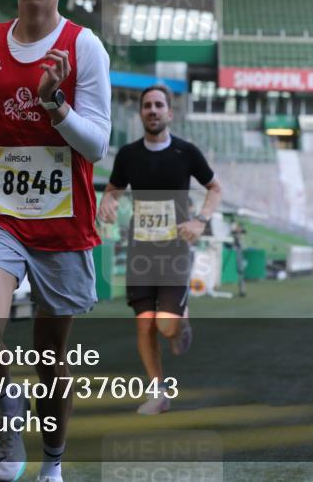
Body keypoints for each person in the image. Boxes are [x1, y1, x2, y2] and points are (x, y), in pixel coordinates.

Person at [0, 0, 111, 482]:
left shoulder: (84, 46)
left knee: (51, 360)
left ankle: (53, 464)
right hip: (1, 214)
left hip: (64, 224)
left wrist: (55, 108)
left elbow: (97, 143)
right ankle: (6, 401)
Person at [99, 85, 222, 415]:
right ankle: (158, 393)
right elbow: (113, 189)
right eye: (147, 106)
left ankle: (181, 317)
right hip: (141, 251)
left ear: (170, 113)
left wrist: (200, 220)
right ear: (141, 113)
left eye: (159, 105)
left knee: (166, 328)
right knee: (144, 325)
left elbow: (214, 188)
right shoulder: (127, 155)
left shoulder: (186, 152)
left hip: (175, 251)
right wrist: (108, 202)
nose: (153, 110)